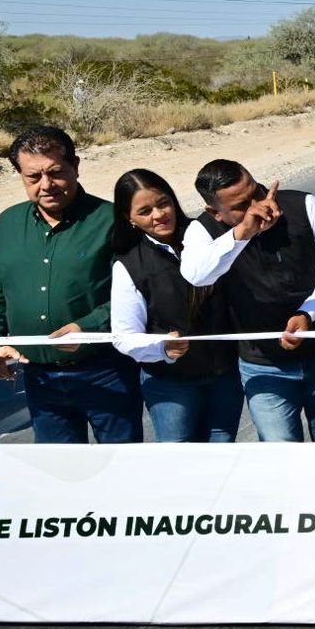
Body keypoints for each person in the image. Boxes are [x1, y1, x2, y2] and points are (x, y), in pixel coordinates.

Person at [0, 126, 141, 443]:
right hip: (39, 380)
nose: (46, 185)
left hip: (106, 372)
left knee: (124, 469)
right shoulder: (8, 223)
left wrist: (88, 326)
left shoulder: (111, 220)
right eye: (33, 177)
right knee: (61, 476)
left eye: (56, 173)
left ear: (75, 166)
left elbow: (135, 292)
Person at [181, 160, 315, 442]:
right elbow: (197, 275)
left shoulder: (305, 205)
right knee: (280, 455)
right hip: (263, 365)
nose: (259, 206)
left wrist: (308, 313)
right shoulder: (203, 230)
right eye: (242, 205)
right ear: (216, 212)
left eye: (257, 192)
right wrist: (242, 234)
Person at [110, 169, 243, 442]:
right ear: (129, 218)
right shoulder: (129, 265)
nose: (159, 215)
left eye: (163, 203)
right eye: (145, 211)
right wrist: (161, 347)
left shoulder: (209, 238)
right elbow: (124, 336)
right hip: (169, 384)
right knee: (180, 460)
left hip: (224, 377)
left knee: (222, 454)